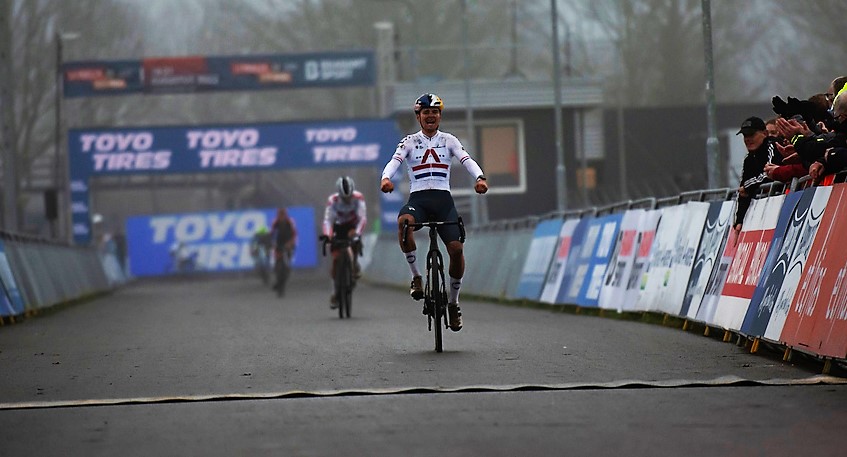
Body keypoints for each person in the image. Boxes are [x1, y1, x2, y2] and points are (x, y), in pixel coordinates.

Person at [379, 93, 489, 332]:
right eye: (426, 113)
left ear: (440, 115)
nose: (431, 116)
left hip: (442, 200)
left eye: (435, 112)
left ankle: (453, 303)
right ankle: (417, 276)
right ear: (419, 116)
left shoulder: (449, 140)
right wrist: (386, 178)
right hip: (418, 200)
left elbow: (466, 159)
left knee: (457, 250)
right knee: (404, 222)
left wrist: (480, 178)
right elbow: (394, 161)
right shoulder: (408, 141)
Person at [321, 176, 367, 308]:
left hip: (352, 226)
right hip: (338, 226)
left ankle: (354, 263)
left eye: (349, 197)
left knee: (355, 242)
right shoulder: (333, 200)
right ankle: (335, 292)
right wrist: (328, 235)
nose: (347, 200)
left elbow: (362, 218)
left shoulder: (358, 198)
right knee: (335, 259)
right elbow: (327, 220)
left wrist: (357, 234)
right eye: (344, 198)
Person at [734, 116, 782, 232]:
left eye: (751, 135)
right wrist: (739, 220)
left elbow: (769, 175)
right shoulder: (748, 159)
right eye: (745, 136)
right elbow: (743, 191)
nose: (748, 139)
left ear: (765, 134)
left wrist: (748, 187)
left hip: (780, 206)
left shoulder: (772, 146)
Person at [271, 208, 298, 295]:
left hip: (288, 244)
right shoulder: (275, 223)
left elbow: (294, 234)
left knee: (286, 266)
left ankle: (281, 283)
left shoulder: (290, 222)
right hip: (279, 244)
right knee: (277, 265)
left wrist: (290, 244)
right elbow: (272, 234)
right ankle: (278, 281)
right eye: (279, 215)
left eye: (282, 215)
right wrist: (272, 244)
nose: (281, 217)